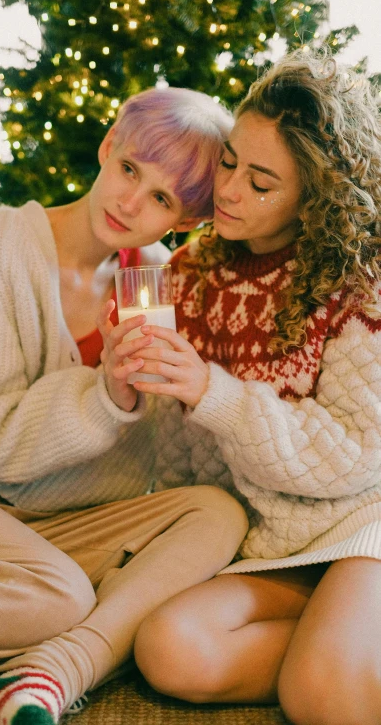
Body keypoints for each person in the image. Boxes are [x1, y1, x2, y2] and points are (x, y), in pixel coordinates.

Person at [0, 87, 248, 725]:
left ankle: (48, 668)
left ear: (184, 222)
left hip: (27, 516)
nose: (129, 202)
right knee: (56, 591)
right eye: (129, 170)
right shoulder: (1, 245)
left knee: (214, 511)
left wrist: (181, 390)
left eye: (160, 199)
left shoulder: (150, 282)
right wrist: (107, 396)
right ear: (107, 147)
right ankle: (27, 634)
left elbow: (124, 473)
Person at [117, 50, 381, 725]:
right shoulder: (187, 273)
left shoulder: (361, 283)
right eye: (229, 161)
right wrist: (134, 388)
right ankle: (341, 647)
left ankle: (336, 656)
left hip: (361, 522)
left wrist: (215, 392)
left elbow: (354, 452)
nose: (228, 190)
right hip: (267, 542)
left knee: (317, 694)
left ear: (316, 199)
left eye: (261, 182)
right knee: (169, 648)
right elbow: (179, 466)